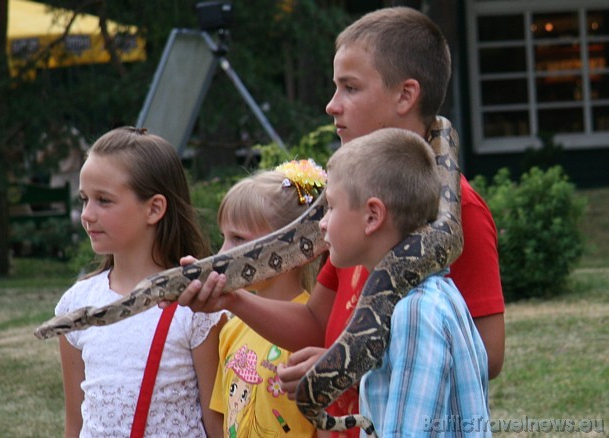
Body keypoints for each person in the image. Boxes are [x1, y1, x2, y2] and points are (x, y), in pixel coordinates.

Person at [175, 7, 504, 436]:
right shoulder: (350, 218)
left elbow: (487, 354)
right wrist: (233, 300)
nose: (332, 105)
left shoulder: (452, 212)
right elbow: (318, 322)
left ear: (405, 96)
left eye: (350, 88)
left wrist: (341, 363)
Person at [318, 127, 491, 436]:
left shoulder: (415, 313)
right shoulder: (438, 294)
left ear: (372, 216)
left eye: (330, 207)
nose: (321, 222)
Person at [55, 127, 225, 437]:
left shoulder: (196, 304)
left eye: (104, 201)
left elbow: (218, 425)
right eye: (84, 200)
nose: (87, 215)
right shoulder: (77, 304)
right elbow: (74, 423)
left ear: (155, 208)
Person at [209, 160, 324, 437]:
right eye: (224, 237)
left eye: (238, 239)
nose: (222, 253)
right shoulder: (231, 329)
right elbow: (224, 418)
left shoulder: (310, 334)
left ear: (296, 250)